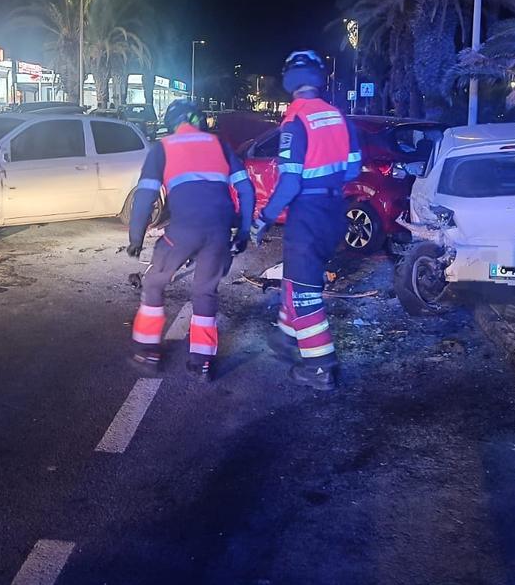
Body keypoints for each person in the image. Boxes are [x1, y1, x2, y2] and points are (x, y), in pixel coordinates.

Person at [251, 50, 361, 391]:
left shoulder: (295, 122)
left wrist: (264, 218)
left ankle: (319, 366)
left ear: (290, 82)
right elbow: (354, 169)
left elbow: (290, 183)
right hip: (333, 212)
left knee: (305, 293)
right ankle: (287, 336)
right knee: (297, 278)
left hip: (307, 215)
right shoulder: (339, 117)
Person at [126, 99, 255, 379]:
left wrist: (135, 237)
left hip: (183, 230)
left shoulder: (163, 147)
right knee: (205, 292)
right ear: (199, 119)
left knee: (153, 282)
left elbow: (145, 196)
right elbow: (246, 189)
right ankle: (202, 361)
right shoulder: (219, 145)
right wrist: (243, 232)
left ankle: (147, 352)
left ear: (171, 124)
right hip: (219, 232)